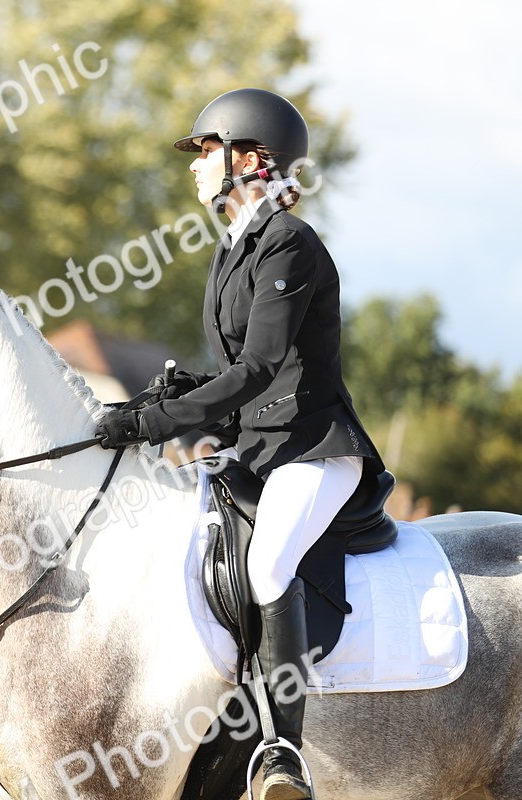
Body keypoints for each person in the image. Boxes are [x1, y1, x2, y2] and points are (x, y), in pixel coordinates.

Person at [96, 88, 387, 800]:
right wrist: (168, 395)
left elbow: (258, 369)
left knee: (267, 564)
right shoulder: (233, 248)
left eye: (207, 152)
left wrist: (158, 425)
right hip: (258, 448)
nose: (195, 166)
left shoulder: (291, 243)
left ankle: (282, 752)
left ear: (253, 161)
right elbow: (236, 371)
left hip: (312, 447)